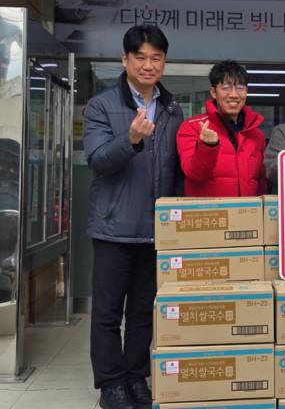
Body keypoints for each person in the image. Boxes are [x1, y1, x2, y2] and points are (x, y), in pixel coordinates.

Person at [83, 25, 183, 409]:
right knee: (107, 314)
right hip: (113, 228)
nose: (148, 65)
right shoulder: (101, 106)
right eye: (140, 57)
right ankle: (111, 384)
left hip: (157, 231)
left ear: (164, 62)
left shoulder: (171, 109)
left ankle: (136, 376)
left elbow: (176, 169)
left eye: (156, 58)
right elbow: (98, 160)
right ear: (124, 60)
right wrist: (131, 139)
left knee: (143, 312)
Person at [177, 60, 267, 196]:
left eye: (240, 88)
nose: (234, 95)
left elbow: (261, 183)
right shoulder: (192, 127)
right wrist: (207, 147)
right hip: (209, 209)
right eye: (226, 88)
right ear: (213, 92)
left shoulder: (256, 134)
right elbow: (194, 174)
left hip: (248, 209)